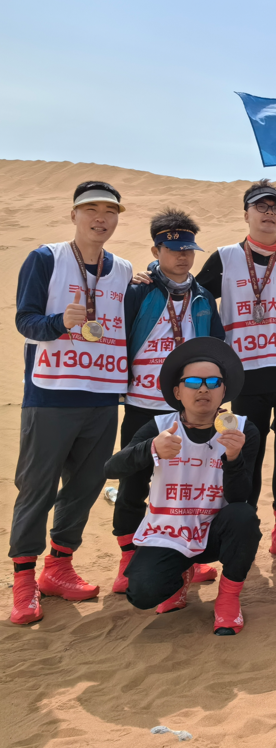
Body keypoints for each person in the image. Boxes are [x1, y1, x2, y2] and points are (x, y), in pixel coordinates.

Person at [10, 181, 133, 625]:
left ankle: (58, 567)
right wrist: (59, 322)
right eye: (91, 209)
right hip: (51, 393)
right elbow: (25, 320)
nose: (101, 218)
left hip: (102, 395)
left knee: (85, 486)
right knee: (37, 488)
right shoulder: (47, 258)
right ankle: (24, 580)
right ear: (74, 214)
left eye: (110, 211)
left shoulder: (123, 270)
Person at [196, 180, 276, 564]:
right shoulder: (226, 257)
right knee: (247, 453)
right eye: (260, 207)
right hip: (245, 375)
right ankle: (243, 529)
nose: (269, 214)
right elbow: (193, 298)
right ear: (246, 213)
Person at [104, 338, 261, 634]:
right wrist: (151, 448)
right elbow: (111, 468)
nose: (203, 389)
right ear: (177, 391)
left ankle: (228, 598)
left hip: (216, 531)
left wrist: (233, 457)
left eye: (213, 382)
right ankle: (180, 576)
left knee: (244, 517)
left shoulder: (241, 430)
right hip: (169, 533)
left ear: (224, 391)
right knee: (142, 594)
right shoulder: (161, 427)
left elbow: (242, 497)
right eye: (192, 382)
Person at [112, 209, 224, 596]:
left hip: (188, 410)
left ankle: (187, 555)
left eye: (188, 249)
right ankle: (128, 558)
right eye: (173, 249)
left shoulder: (203, 296)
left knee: (189, 485)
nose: (182, 256)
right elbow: (118, 336)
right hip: (142, 404)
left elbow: (217, 347)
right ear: (156, 250)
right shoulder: (138, 291)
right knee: (133, 482)